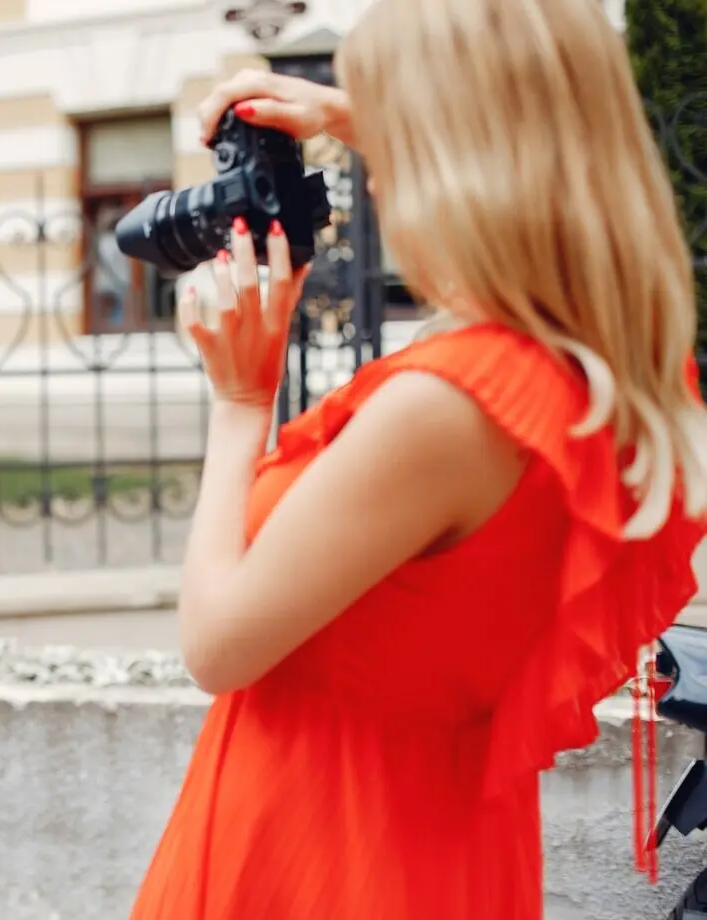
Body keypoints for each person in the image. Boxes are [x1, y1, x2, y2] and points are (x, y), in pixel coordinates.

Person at [129, 0, 707, 917]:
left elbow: (218, 644)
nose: (380, 179)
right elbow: (533, 140)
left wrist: (240, 401)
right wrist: (353, 114)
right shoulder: (606, 361)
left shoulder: (448, 406)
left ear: (442, 154)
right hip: (441, 837)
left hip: (324, 852)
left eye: (390, 144)